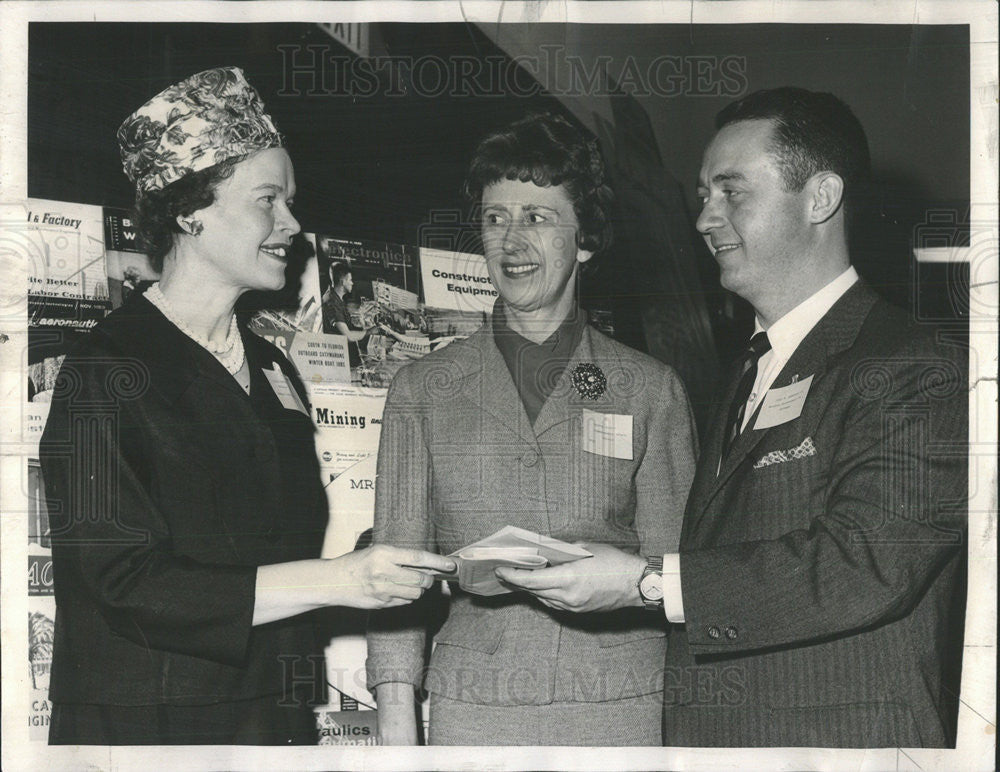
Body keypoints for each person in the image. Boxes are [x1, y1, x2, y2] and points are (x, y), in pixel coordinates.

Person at [498, 87, 967, 748]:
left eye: (731, 192)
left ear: (821, 198)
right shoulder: (747, 367)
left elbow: (865, 562)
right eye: (702, 195)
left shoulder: (918, 365)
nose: (704, 220)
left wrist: (643, 582)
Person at [38, 66, 454, 746]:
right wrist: (336, 580)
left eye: (289, 201)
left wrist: (377, 561)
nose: (293, 224)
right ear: (189, 210)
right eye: (268, 200)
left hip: (272, 717)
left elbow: (265, 543)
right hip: (152, 730)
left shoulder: (271, 367)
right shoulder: (101, 370)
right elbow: (123, 583)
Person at [366, 113, 697, 746]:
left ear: (587, 241)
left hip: (620, 704)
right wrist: (397, 727)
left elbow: (679, 570)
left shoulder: (651, 389)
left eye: (537, 219)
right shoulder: (421, 389)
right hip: (475, 708)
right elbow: (393, 577)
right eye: (496, 219)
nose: (511, 241)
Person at [322, 261, 373, 366]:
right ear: (342, 281)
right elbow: (348, 336)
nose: (352, 283)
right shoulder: (332, 303)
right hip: (340, 358)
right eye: (350, 280)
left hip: (344, 352)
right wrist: (370, 331)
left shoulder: (337, 297)